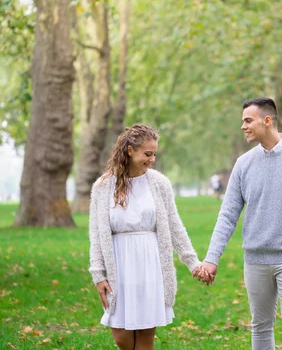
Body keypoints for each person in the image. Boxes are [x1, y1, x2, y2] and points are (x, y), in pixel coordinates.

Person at [195, 97, 282, 350]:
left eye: (248, 120)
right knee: (260, 325)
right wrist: (212, 258)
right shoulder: (243, 164)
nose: (243, 126)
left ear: (267, 121)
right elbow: (227, 215)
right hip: (255, 260)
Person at [88, 124, 210, 350]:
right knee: (122, 338)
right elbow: (95, 234)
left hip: (150, 263)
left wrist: (193, 262)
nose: (152, 159)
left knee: (145, 336)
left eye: (154, 154)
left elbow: (174, 226)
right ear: (130, 151)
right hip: (119, 265)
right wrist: (98, 274)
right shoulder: (103, 187)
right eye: (147, 154)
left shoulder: (159, 183)